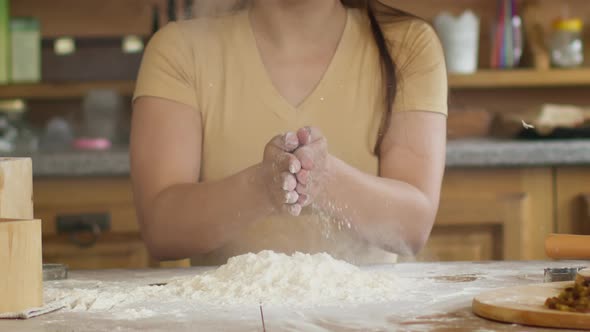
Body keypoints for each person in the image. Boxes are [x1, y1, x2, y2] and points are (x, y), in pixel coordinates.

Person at [131, 0, 447, 265]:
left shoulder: (407, 46)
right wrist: (262, 187)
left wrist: (325, 179)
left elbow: (412, 229)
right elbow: (162, 231)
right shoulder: (179, 49)